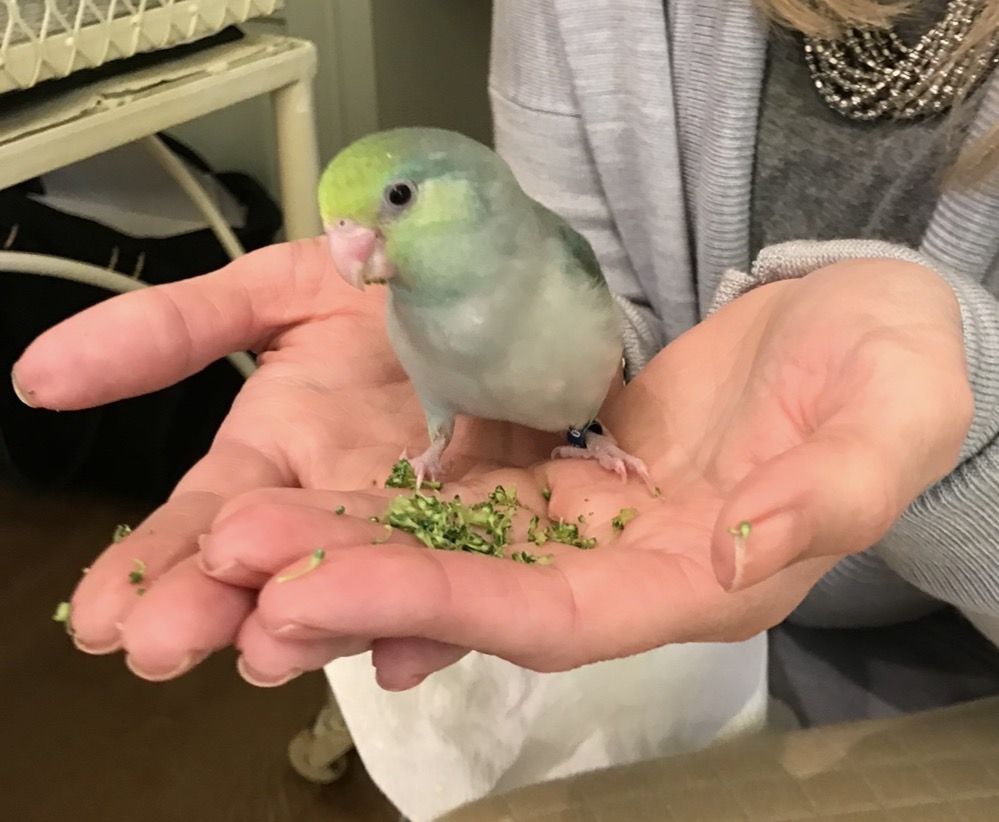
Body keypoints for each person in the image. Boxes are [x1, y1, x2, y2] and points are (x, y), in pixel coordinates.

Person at [11, 0, 999, 819]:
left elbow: (593, 337)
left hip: (944, 681)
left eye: (398, 201)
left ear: (463, 195)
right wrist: (441, 448)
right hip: (648, 628)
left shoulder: (554, 260)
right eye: (345, 225)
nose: (357, 247)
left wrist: (964, 423)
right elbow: (624, 322)